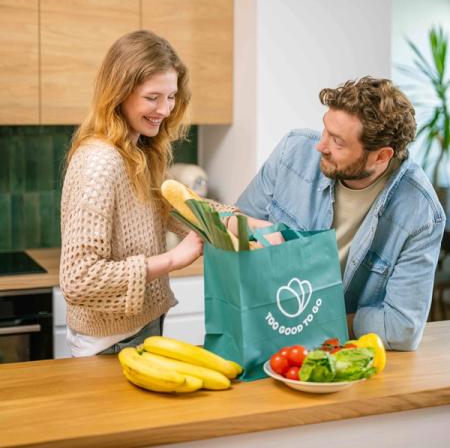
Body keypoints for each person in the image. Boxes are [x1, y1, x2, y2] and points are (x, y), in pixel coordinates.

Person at [231, 76, 445, 351]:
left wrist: (318, 323)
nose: (321, 146)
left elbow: (401, 327)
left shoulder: (421, 214)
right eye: (325, 130)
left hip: (341, 356)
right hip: (261, 334)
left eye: (337, 141)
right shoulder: (292, 153)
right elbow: (236, 229)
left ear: (381, 156)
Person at [59, 30, 204, 357]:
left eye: (171, 97)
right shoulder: (100, 162)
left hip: (141, 328)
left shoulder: (138, 152)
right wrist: (171, 260)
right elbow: (79, 278)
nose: (165, 109)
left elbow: (180, 209)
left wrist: (247, 225)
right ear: (119, 93)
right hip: (110, 344)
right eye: (153, 98)